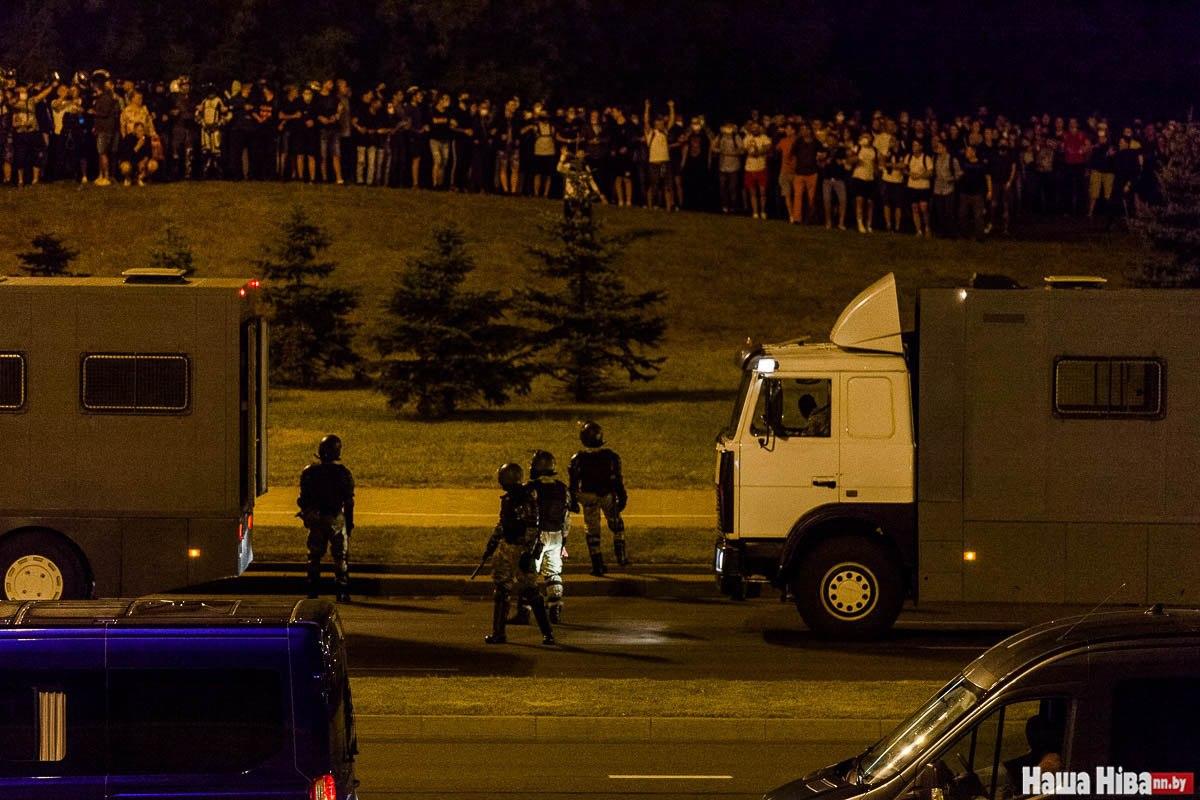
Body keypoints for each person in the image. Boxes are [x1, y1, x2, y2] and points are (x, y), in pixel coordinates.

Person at [482, 462, 555, 646]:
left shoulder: (524, 498)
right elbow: (503, 523)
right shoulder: (509, 499)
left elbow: (532, 527)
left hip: (520, 548)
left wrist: (528, 552)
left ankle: (547, 633)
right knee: (501, 589)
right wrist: (492, 543)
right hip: (507, 545)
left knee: (530, 590)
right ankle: (498, 633)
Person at [297, 434, 355, 604]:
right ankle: (342, 591)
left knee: (314, 556)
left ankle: (313, 590)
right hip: (335, 518)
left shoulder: (309, 472)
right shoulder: (343, 473)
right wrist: (349, 523)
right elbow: (349, 502)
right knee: (340, 556)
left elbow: (303, 499)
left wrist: (307, 514)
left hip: (316, 518)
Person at [568, 421, 628, 576]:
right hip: (607, 495)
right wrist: (622, 496)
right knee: (616, 523)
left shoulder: (577, 459)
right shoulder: (611, 457)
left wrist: (573, 501)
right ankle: (621, 555)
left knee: (592, 530)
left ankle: (597, 563)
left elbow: (573, 484)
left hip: (588, 497)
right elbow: (617, 480)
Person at [526, 450, 570, 624]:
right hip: (557, 535)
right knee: (553, 573)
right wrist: (563, 539)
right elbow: (567, 516)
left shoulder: (531, 488)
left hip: (538, 536)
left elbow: (527, 515)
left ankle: (524, 611)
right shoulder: (562, 488)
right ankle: (555, 607)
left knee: (529, 573)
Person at [117, 121, 158, 186]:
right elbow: (126, 156)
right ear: (135, 131)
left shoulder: (146, 139)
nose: (141, 133)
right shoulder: (128, 138)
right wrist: (137, 147)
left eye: (142, 131)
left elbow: (149, 153)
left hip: (141, 163)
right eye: (139, 131)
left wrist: (144, 161)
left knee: (153, 165)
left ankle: (141, 178)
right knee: (125, 167)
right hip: (130, 162)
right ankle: (128, 178)